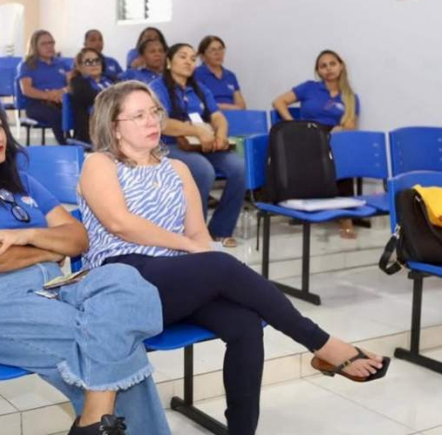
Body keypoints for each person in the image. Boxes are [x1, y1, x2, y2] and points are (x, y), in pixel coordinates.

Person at [77, 80, 390, 435]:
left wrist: (196, 251)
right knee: (220, 264)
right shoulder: (99, 164)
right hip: (123, 279)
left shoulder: (177, 170)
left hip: (175, 281)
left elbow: (198, 233)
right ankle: (324, 345)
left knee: (244, 324)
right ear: (113, 127)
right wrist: (192, 249)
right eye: (138, 115)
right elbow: (121, 224)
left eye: (154, 112)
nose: (152, 121)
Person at [0, 89, 171, 435]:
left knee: (125, 281)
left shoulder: (22, 182)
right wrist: (51, 248)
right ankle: (96, 423)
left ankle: (93, 420)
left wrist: (26, 236)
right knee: (112, 342)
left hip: (55, 285)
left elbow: (79, 238)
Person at [149, 43, 245, 247]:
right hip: (169, 146)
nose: (189, 62)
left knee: (239, 167)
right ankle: (196, 232)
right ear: (168, 62)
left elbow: (218, 116)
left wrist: (220, 135)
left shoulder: (199, 89)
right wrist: (197, 131)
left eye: (193, 58)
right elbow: (163, 123)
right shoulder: (158, 88)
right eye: (183, 57)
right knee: (203, 171)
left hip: (202, 145)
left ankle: (220, 230)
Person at [272, 49, 361, 238]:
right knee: (328, 152)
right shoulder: (309, 87)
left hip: (333, 139)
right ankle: (310, 209)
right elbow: (279, 102)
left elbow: (350, 126)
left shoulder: (350, 97)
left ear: (341, 66)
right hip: (307, 135)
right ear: (318, 71)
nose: (328, 69)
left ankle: (346, 219)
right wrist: (293, 124)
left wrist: (338, 130)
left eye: (332, 64)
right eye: (323, 66)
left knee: (342, 155)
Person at [17, 30, 69, 145]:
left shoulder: (61, 63)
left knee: (81, 110)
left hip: (61, 100)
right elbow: (26, 89)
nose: (49, 46)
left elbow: (72, 84)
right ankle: (66, 146)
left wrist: (61, 92)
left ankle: (82, 143)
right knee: (57, 115)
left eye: (51, 43)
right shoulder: (27, 65)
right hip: (37, 104)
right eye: (44, 44)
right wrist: (48, 96)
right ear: (35, 46)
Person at [69, 48, 113, 143]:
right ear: (80, 67)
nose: (94, 64)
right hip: (92, 129)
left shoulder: (112, 80)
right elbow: (90, 98)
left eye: (97, 61)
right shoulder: (78, 83)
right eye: (88, 62)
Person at [194, 36, 246, 110]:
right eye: (212, 50)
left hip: (233, 115)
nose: (218, 53)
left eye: (220, 49)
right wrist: (225, 107)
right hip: (210, 116)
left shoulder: (230, 76)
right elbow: (200, 103)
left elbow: (241, 106)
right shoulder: (197, 73)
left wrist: (224, 107)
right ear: (202, 56)